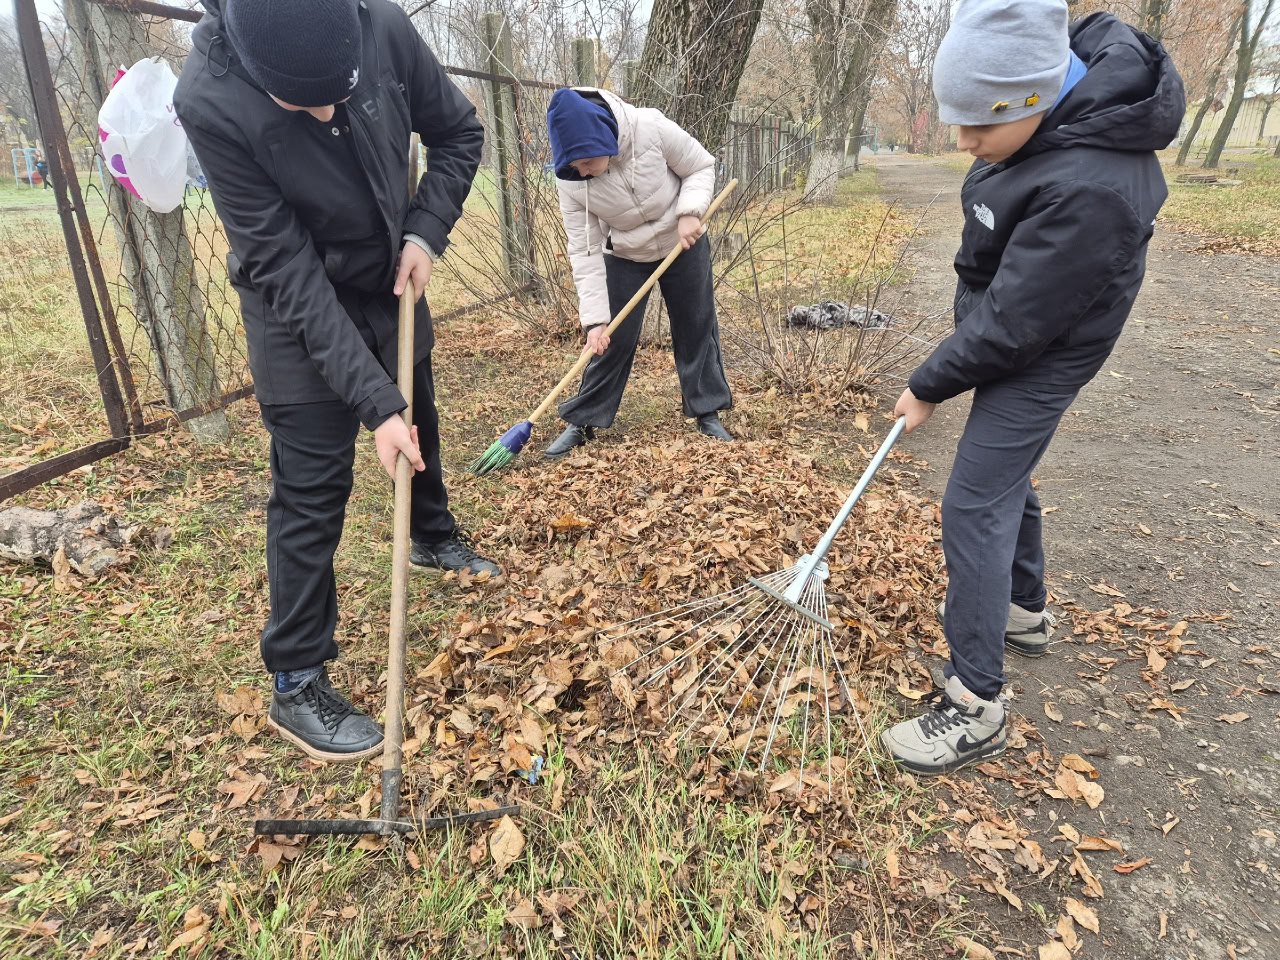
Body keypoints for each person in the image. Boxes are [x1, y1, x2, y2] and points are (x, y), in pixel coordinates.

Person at [175, 0, 501, 763]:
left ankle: (432, 535)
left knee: (417, 411)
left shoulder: (379, 24)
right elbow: (283, 266)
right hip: (294, 300)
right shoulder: (208, 100)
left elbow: (459, 132)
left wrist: (426, 227)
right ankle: (295, 679)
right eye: (302, 102)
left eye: (339, 91)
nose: (326, 111)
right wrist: (370, 401)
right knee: (312, 481)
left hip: (390, 266)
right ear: (255, 70)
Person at [880, 0, 1184, 776]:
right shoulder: (1041, 113)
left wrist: (928, 383)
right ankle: (1023, 610)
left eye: (979, 126)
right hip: (1016, 326)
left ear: (1036, 99)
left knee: (974, 500)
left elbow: (1018, 323)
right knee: (1001, 473)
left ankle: (976, 703)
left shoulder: (1092, 187)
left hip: (1050, 344)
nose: (963, 142)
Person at [541, 86, 734, 459]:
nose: (580, 172)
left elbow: (700, 166)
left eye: (584, 162)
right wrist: (595, 321)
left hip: (683, 242)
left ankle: (707, 411)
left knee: (696, 324)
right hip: (627, 254)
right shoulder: (572, 181)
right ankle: (584, 420)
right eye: (572, 167)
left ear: (602, 139)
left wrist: (690, 211)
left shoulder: (650, 127)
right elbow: (584, 250)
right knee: (610, 339)